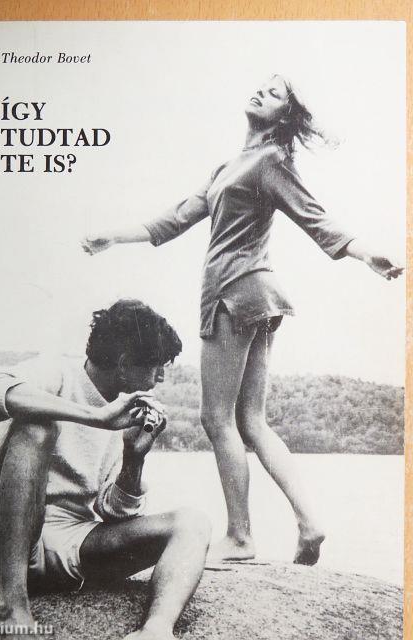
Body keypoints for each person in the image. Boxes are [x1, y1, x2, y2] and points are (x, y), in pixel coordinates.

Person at [81, 75, 403, 565]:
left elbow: (315, 218)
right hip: (257, 296)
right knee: (251, 421)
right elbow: (175, 218)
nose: (261, 93)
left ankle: (239, 536)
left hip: (234, 294)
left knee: (216, 418)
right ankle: (310, 522)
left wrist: (364, 253)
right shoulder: (228, 167)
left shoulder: (271, 161)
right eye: (262, 87)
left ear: (285, 117)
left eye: (274, 94)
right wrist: (113, 237)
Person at [0, 299, 211, 640]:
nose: (161, 377)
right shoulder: (56, 372)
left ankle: (155, 630)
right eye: (157, 365)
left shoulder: (126, 409)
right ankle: (12, 605)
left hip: (69, 548)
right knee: (38, 427)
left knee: (193, 522)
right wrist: (96, 417)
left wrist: (133, 458)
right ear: (124, 364)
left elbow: (114, 513)